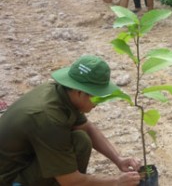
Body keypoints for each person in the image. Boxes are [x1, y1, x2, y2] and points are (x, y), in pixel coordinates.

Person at [0, 55, 141, 185]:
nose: (98, 102)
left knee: (81, 139)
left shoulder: (61, 93)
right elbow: (70, 180)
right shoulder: (48, 117)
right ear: (79, 92)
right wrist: (116, 182)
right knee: (77, 149)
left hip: (25, 160)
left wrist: (118, 160)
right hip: (9, 178)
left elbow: (87, 128)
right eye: (96, 97)